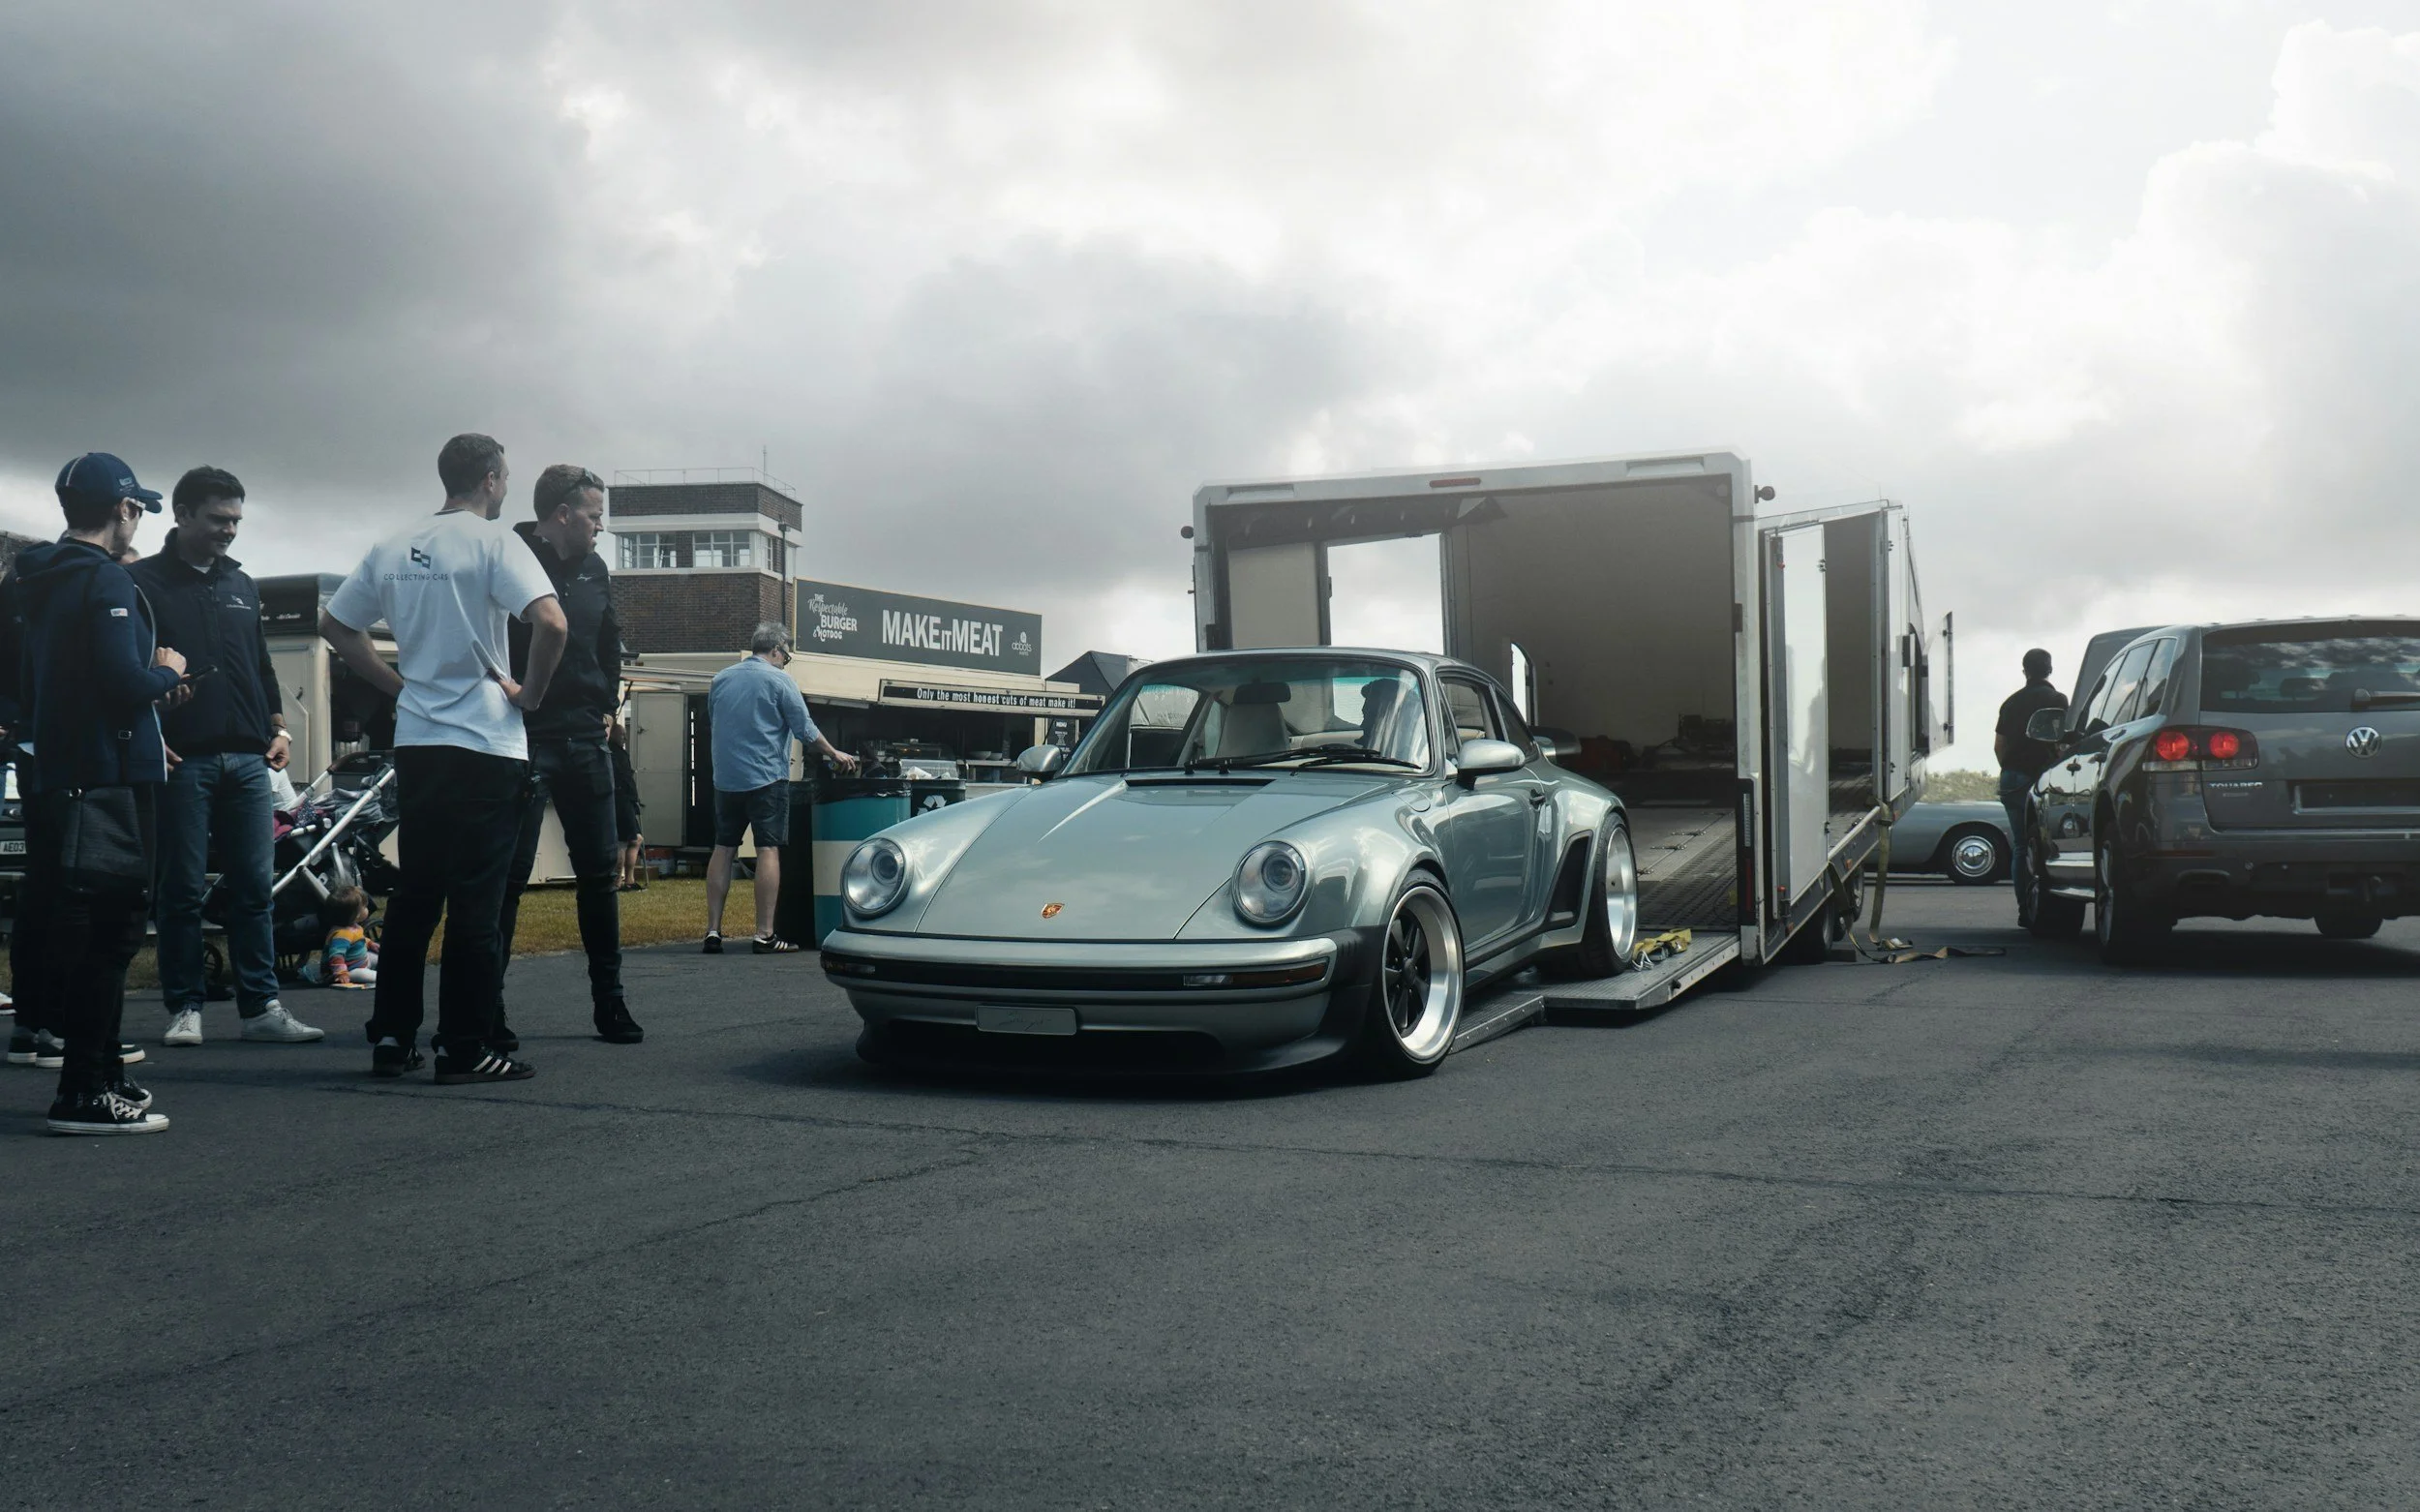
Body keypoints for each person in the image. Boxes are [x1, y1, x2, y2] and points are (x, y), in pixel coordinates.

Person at [318, 433, 565, 1084]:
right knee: (476, 902)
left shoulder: (394, 544)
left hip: (420, 742)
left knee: (415, 895)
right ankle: (464, 1046)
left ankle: (392, 1037)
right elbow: (552, 622)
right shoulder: (494, 542)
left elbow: (335, 625)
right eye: (505, 478)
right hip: (485, 741)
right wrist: (530, 695)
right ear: (490, 479)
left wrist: (396, 685)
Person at [15, 453, 184, 1133]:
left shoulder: (37, 577)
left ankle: (103, 1072)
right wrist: (167, 673)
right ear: (123, 508)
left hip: (69, 768)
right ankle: (85, 1090)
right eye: (136, 507)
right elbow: (121, 680)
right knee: (113, 934)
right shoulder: (105, 577)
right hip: (110, 777)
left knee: (87, 926)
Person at [131, 466, 322, 1047]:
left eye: (236, 520)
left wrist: (280, 728)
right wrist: (147, 730)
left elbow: (260, 663)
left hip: (249, 760)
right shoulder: (140, 583)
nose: (229, 530)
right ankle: (185, 1007)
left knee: (255, 890)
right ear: (182, 515)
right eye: (218, 519)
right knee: (181, 891)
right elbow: (126, 670)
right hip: (181, 760)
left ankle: (261, 1008)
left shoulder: (242, 584)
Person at [493, 465, 643, 1046]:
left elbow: (609, 641)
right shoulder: (508, 556)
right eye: (594, 515)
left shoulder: (595, 568)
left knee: (599, 877)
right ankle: (489, 1010)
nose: (601, 526)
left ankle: (611, 1003)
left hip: (585, 738)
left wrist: (606, 706)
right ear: (562, 513)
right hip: (522, 735)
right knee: (509, 878)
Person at [703, 621, 856, 954]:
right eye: (786, 656)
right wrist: (834, 753)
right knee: (767, 849)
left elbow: (715, 721)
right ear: (776, 651)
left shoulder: (721, 679)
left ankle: (713, 931)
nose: (786, 662)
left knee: (723, 848)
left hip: (725, 780)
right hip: (766, 779)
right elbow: (805, 730)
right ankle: (764, 935)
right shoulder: (779, 681)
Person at [1995, 648, 2069, 896]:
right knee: (2044, 845)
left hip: (2011, 777)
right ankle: (2043, 901)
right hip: (2040, 778)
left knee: (2020, 846)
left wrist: (2010, 768)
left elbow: (1999, 746)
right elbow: (2060, 743)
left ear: (2024, 671)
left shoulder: (2010, 702)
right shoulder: (2057, 700)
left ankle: (2024, 907)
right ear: (2050, 670)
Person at [610, 712, 646, 892]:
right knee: (628, 840)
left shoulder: (615, 753)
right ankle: (622, 881)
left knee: (631, 840)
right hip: (623, 801)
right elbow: (624, 778)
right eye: (622, 734)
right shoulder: (616, 754)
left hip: (623, 801)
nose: (625, 737)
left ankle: (625, 880)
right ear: (613, 735)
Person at [318, 886, 377, 987]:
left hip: (361, 961)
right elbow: (336, 956)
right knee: (365, 975)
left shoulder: (354, 927)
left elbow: (358, 940)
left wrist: (370, 944)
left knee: (378, 958)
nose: (367, 909)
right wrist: (341, 973)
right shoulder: (342, 934)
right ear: (357, 914)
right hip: (350, 970)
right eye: (364, 907)